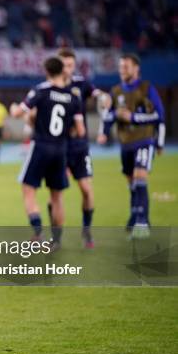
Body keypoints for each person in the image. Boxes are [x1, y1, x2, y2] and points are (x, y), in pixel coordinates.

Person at [10, 57, 85, 249]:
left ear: (46, 71)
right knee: (57, 197)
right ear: (62, 71)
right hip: (61, 149)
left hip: (41, 145)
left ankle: (38, 233)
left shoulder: (41, 91)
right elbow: (80, 131)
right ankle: (57, 241)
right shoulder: (73, 97)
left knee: (28, 190)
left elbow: (19, 113)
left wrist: (16, 111)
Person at [98, 53, 165, 238]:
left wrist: (133, 117)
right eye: (120, 67)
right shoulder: (116, 91)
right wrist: (104, 131)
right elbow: (109, 116)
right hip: (125, 144)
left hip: (144, 140)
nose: (122, 70)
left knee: (140, 177)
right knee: (132, 184)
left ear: (136, 68)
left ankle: (142, 224)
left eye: (126, 66)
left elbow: (159, 115)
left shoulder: (146, 88)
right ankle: (136, 216)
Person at [48, 48, 108, 248]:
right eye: (64, 65)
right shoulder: (50, 87)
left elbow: (97, 93)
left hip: (80, 147)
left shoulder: (81, 84)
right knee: (56, 194)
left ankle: (87, 230)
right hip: (58, 147)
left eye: (70, 65)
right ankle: (56, 237)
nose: (67, 69)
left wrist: (103, 98)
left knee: (86, 189)